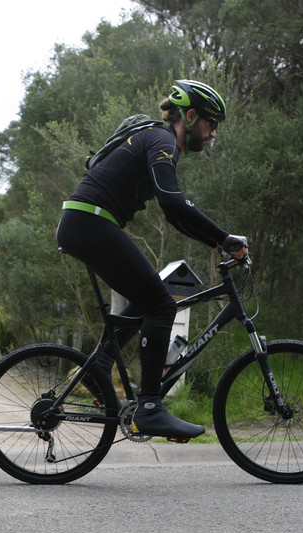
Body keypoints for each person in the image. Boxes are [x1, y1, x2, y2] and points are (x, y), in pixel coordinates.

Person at [56, 79, 249, 440]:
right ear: (190, 116)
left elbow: (174, 214)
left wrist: (218, 241)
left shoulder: (158, 141)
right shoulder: (162, 139)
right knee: (162, 305)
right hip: (89, 221)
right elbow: (173, 203)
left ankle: (100, 366)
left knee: (150, 297)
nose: (213, 134)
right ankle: (149, 409)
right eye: (211, 124)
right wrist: (224, 239)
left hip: (87, 222)